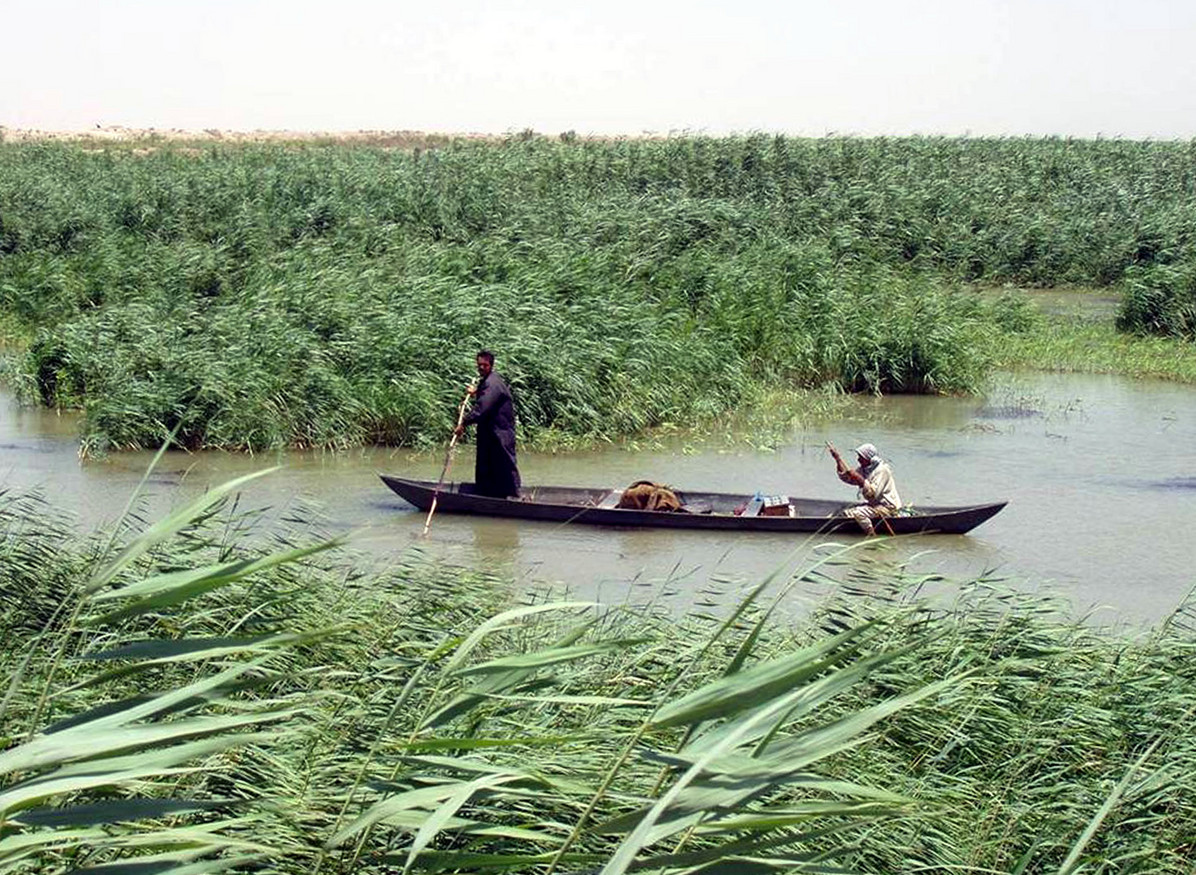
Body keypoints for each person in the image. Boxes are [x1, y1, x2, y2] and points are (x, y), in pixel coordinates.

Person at [454, 350, 521, 498]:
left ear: (491, 365)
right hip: (491, 432)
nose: (481, 368)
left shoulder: (493, 383)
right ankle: (489, 496)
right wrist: (477, 391)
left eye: (485, 365)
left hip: (500, 432)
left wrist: (464, 422)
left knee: (505, 463)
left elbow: (482, 408)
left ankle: (514, 497)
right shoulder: (488, 381)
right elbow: (486, 395)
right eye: (479, 365)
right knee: (488, 464)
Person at [828, 442, 902, 535]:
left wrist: (858, 478)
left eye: (861, 457)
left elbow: (873, 492)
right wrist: (837, 459)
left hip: (887, 507)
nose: (858, 459)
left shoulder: (882, 470)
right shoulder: (865, 468)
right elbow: (847, 478)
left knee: (858, 513)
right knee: (845, 511)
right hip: (874, 505)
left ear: (869, 458)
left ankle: (871, 535)